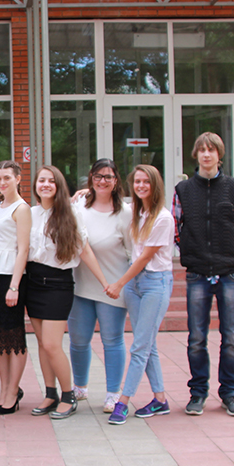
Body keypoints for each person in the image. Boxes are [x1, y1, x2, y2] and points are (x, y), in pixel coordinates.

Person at [173, 132, 234, 417]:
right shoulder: (183, 190)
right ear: (196, 154)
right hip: (197, 274)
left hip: (230, 274)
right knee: (196, 338)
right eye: (201, 150)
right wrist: (189, 249)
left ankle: (229, 393)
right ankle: (198, 393)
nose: (206, 154)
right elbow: (174, 228)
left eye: (211, 150)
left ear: (219, 155)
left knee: (232, 338)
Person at [27, 165, 112, 420]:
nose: (45, 185)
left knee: (52, 344)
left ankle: (68, 395)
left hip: (58, 284)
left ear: (59, 186)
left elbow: (84, 250)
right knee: (42, 344)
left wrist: (105, 282)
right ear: (35, 185)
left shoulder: (70, 213)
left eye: (51, 181)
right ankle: (50, 393)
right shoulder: (30, 213)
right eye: (41, 180)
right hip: (33, 282)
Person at [106, 165, 174, 426]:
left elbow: (145, 257)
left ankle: (123, 402)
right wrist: (81, 194)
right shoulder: (136, 211)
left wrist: (119, 284)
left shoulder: (163, 218)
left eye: (146, 182)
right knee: (147, 345)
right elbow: (108, 202)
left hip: (155, 283)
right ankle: (160, 399)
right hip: (135, 284)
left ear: (155, 185)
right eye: (137, 182)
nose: (141, 186)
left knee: (139, 347)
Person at [68, 159, 132, 414]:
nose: (102, 181)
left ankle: (113, 393)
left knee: (112, 340)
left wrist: (122, 284)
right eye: (98, 176)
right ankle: (79, 387)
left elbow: (132, 252)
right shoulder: (79, 205)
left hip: (112, 288)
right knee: (78, 339)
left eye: (108, 177)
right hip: (81, 286)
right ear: (90, 178)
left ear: (116, 181)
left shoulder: (125, 213)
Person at [0, 160, 31, 415]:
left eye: (7, 178)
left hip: (9, 277)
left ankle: (13, 390)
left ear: (18, 179)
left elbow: (23, 249)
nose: (2, 182)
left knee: (13, 335)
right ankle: (4, 389)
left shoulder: (22, 209)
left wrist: (14, 286)